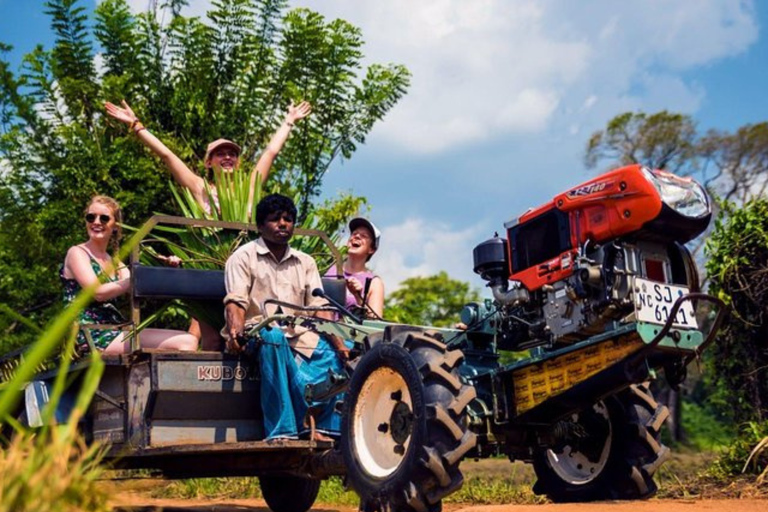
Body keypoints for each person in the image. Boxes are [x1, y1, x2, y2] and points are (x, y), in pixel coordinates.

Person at [104, 99, 311, 348]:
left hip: (247, 274)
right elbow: (167, 156)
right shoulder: (200, 189)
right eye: (220, 153)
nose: (227, 157)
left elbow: (270, 153)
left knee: (252, 329)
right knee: (212, 337)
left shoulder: (250, 189)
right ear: (208, 162)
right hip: (211, 273)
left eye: (232, 153)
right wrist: (137, 125)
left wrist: (289, 121)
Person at [223, 194, 350, 442]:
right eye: (274, 219)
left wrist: (341, 346)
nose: (283, 224)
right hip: (256, 331)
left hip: (300, 334)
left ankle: (322, 429)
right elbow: (235, 302)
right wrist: (235, 334)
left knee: (340, 354)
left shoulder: (306, 262)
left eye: (288, 219)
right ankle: (282, 430)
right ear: (260, 226)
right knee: (273, 338)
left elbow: (319, 308)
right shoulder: (243, 257)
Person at [61, 196, 198, 354]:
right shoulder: (77, 253)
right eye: (91, 217)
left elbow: (138, 287)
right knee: (185, 341)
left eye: (104, 218)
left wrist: (165, 268)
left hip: (115, 330)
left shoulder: (115, 263)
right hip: (89, 334)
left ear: (115, 226)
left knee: (188, 340)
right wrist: (140, 277)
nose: (96, 222)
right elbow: (97, 292)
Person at [324, 218, 385, 319]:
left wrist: (358, 297)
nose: (356, 236)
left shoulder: (375, 283)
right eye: (354, 233)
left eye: (364, 236)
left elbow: (375, 323)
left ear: (372, 249)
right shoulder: (331, 270)